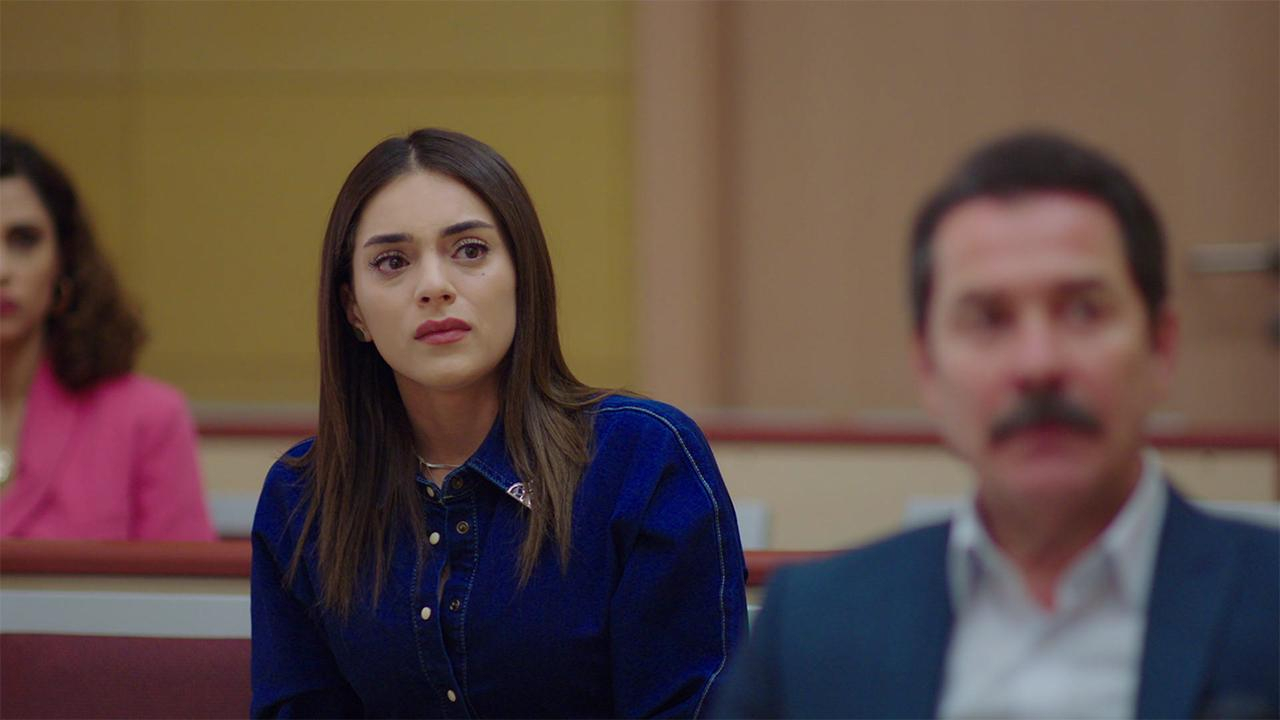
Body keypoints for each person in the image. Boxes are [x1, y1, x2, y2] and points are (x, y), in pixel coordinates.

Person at [713, 132, 1278, 719]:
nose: (1038, 365)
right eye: (987, 319)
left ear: (1161, 346)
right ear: (927, 369)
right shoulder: (814, 629)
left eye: (1083, 310)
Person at [250, 128, 748, 718]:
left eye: (470, 251)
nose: (434, 287)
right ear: (353, 309)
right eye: (392, 262)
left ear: (522, 274)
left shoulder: (641, 459)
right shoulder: (302, 497)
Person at [0, 131, 215, 541]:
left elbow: (183, 582)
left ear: (64, 261)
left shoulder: (148, 419)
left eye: (23, 240)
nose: (2, 270)